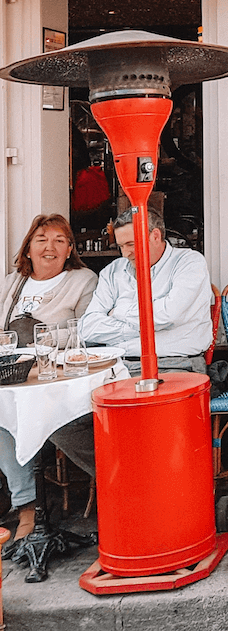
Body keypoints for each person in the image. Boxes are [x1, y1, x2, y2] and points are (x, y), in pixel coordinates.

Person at [50, 207, 212, 480]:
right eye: (121, 245)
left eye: (131, 244)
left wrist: (120, 314)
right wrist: (144, 320)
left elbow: (168, 314)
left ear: (155, 235)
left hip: (175, 367)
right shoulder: (114, 271)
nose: (125, 253)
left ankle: (146, 481)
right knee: (61, 424)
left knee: (144, 423)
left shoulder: (189, 262)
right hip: (116, 368)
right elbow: (89, 326)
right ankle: (129, 477)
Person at [0, 214, 97, 542]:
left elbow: (86, 332)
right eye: (41, 239)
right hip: (13, 373)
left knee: (45, 417)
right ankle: (26, 506)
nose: (50, 247)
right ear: (28, 248)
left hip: (57, 376)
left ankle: (32, 511)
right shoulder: (11, 283)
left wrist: (39, 343)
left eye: (59, 240)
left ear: (70, 249)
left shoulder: (83, 281)